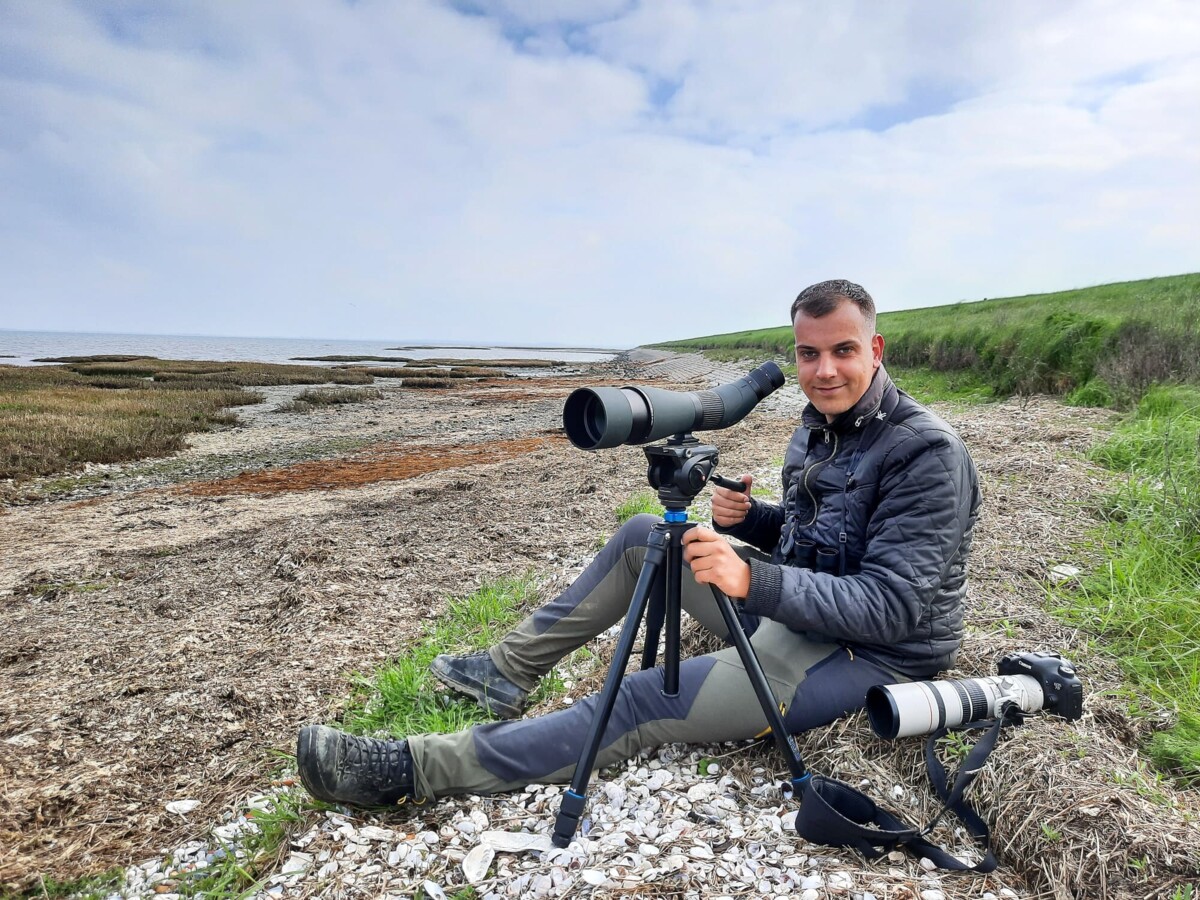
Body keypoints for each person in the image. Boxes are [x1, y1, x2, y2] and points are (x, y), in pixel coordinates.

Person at [296, 279, 982, 808]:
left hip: (870, 655)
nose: (824, 369)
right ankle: (502, 676)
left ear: (876, 349)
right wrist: (756, 523)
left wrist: (755, 581)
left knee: (642, 699)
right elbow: (824, 544)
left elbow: (891, 604)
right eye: (809, 353)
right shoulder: (820, 423)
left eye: (843, 351)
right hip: (802, 611)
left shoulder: (926, 453)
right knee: (640, 538)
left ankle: (412, 768)